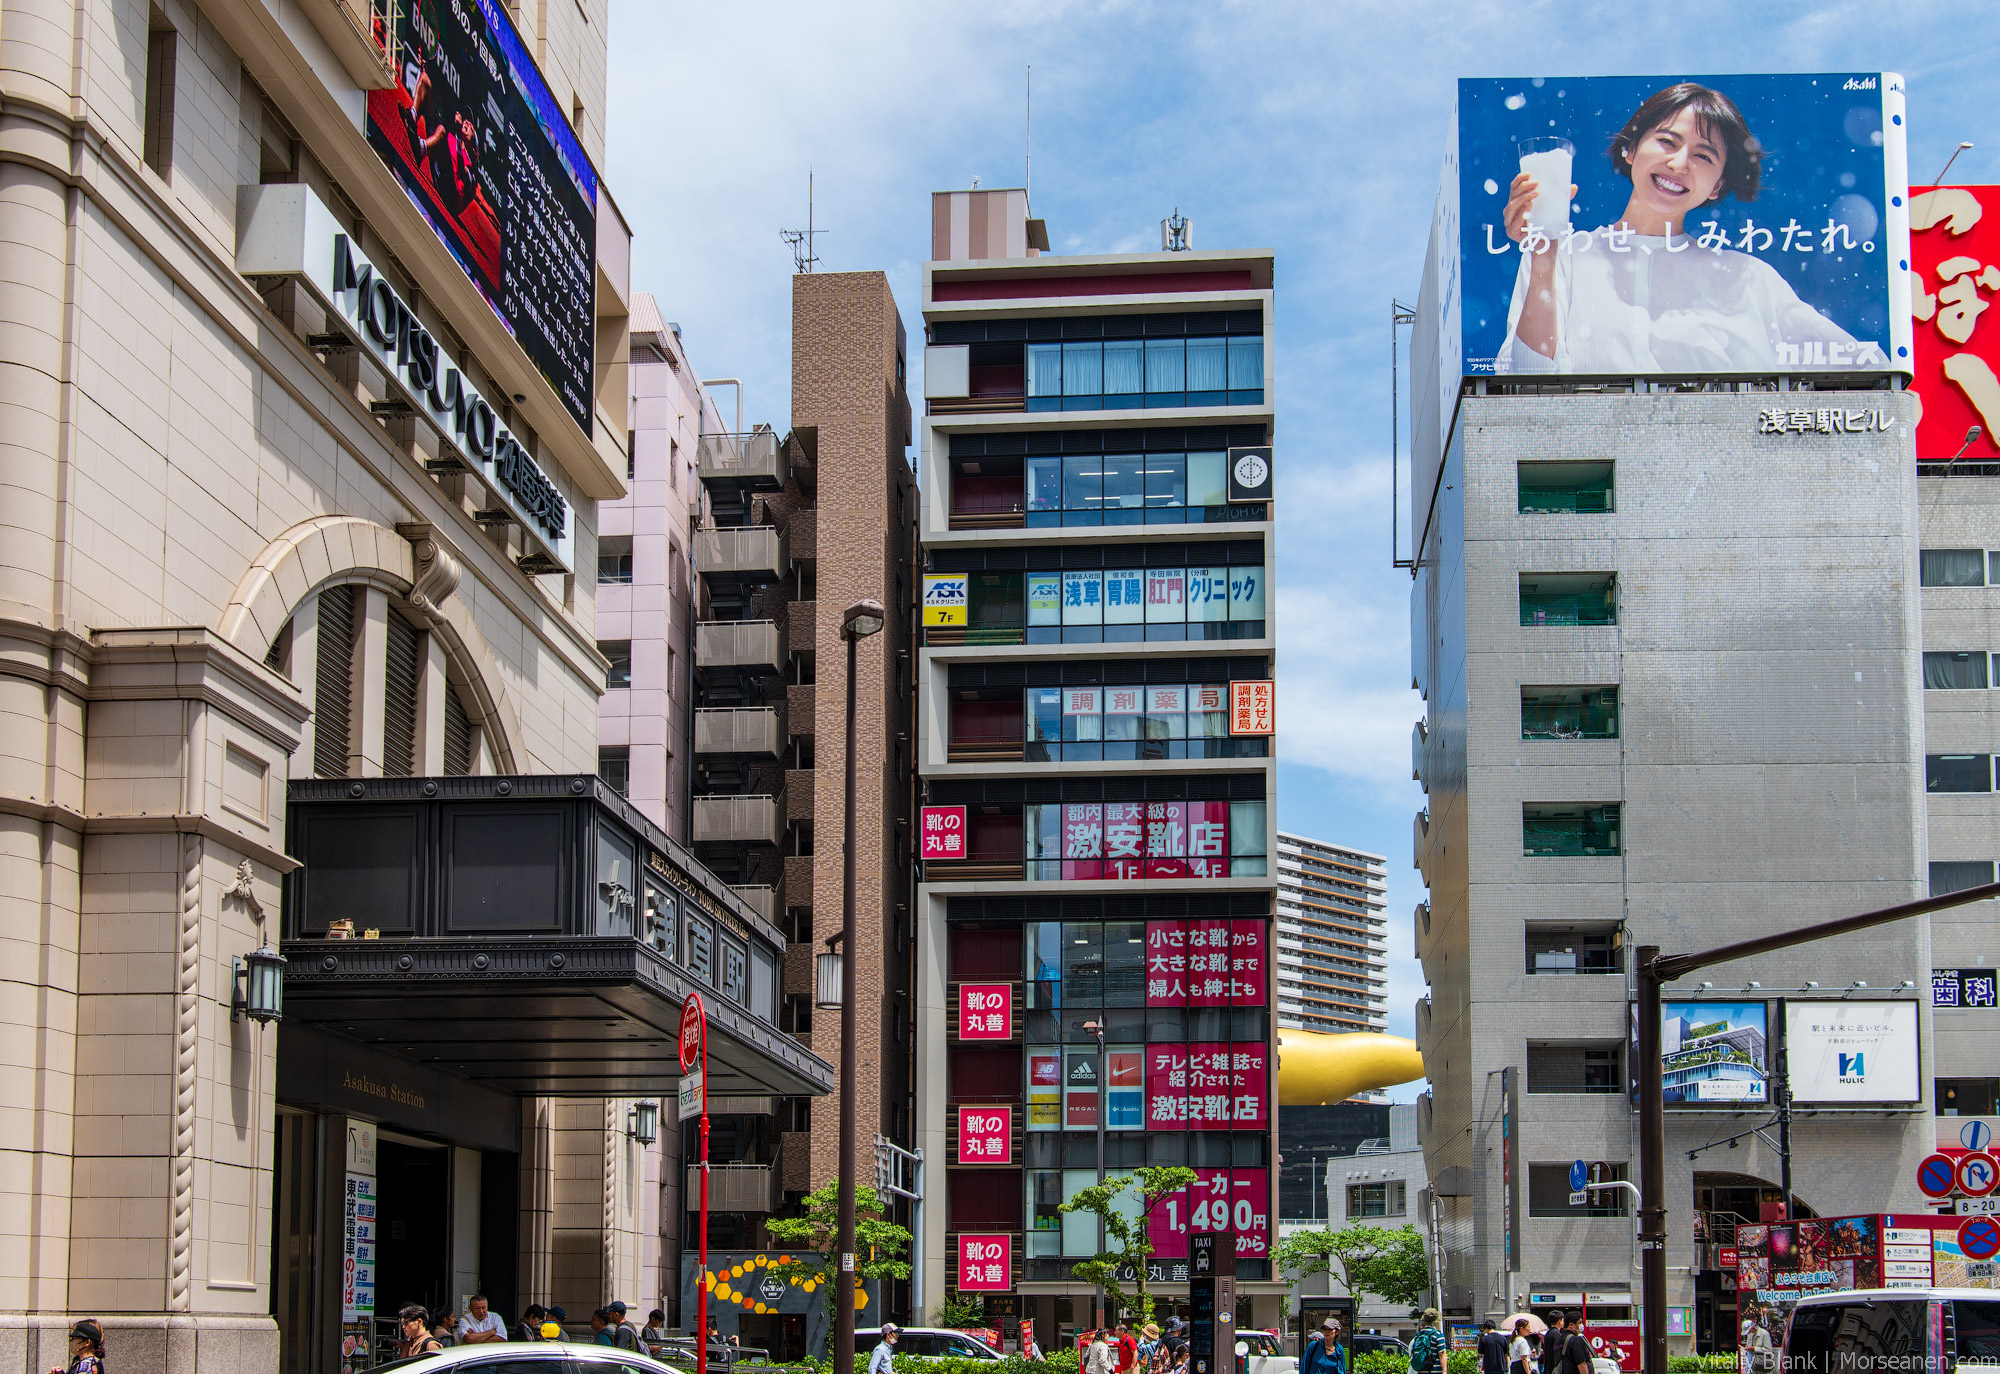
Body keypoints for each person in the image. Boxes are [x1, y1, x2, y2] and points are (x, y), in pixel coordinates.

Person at [1496, 82, 1886, 376]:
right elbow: (1529, 383)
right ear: (1630, 148)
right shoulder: (1565, 256)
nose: (1679, 163)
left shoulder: (1746, 278)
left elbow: (1871, 372)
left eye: (1703, 155)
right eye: (1667, 141)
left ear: (1717, 184)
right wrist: (1543, 254)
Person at [1408, 1310, 1446, 1374]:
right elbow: (1442, 1354)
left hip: (1421, 1371)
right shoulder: (1438, 1335)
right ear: (1435, 1322)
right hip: (1435, 1371)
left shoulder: (1419, 1335)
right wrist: (1444, 1371)